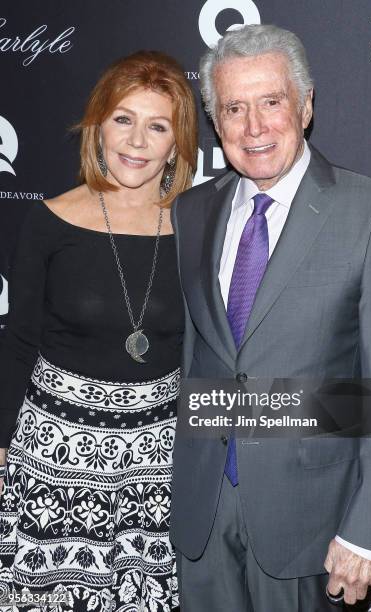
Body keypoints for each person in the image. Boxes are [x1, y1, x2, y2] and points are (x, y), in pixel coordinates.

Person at [169, 24, 371, 611]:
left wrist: (369, 528)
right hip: (203, 511)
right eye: (234, 107)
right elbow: (201, 361)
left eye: (271, 102)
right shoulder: (192, 211)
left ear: (305, 107)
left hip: (313, 518)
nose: (254, 127)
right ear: (215, 120)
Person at [0, 50, 197, 611]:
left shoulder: (199, 224)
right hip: (54, 457)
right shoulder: (49, 221)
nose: (136, 141)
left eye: (156, 126)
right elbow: (17, 345)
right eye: (123, 119)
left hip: (155, 463)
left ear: (177, 142)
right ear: (98, 126)